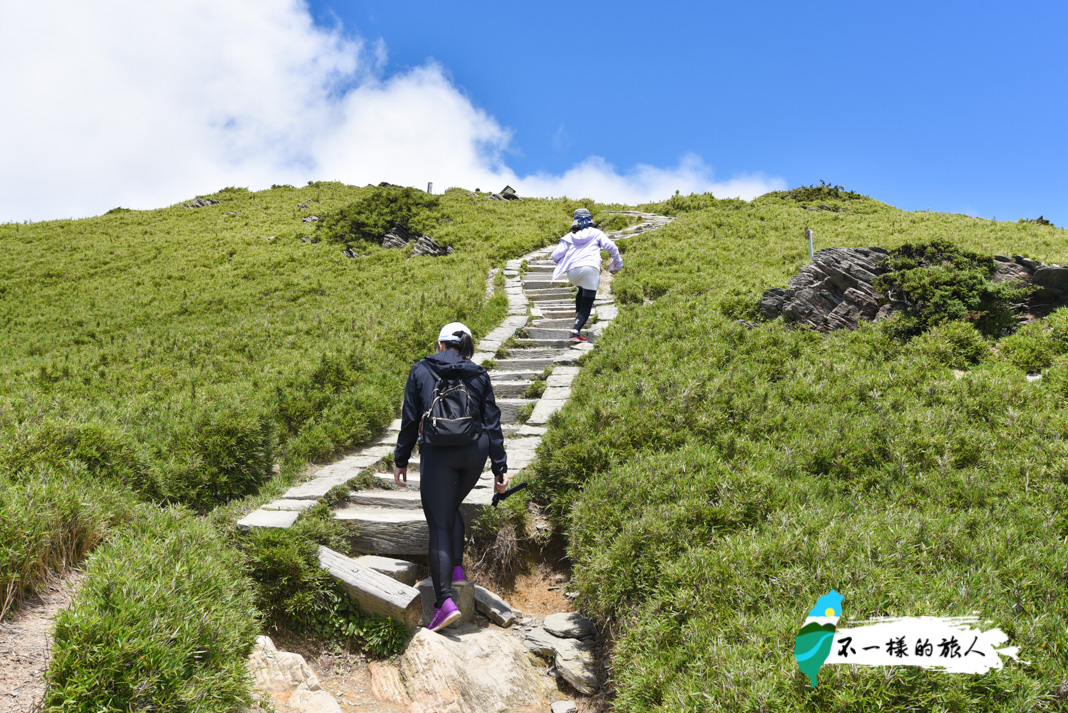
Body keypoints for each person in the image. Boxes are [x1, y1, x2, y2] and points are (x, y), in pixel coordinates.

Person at [393, 322, 508, 631]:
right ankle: (456, 571)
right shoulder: (478, 373)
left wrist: (401, 460)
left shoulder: (420, 370)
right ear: (464, 346)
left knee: (439, 522)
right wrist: (499, 467)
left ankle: (444, 602)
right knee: (450, 507)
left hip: (439, 452)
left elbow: (409, 419)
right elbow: (492, 421)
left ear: (440, 343)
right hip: (474, 451)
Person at [551, 208, 622, 341]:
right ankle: (575, 330)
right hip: (590, 269)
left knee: (581, 290)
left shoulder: (568, 236)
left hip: (572, 272)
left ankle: (578, 319)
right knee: (587, 303)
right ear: (589, 220)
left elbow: (555, 255)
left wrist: (564, 262)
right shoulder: (596, 233)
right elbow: (612, 247)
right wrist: (617, 265)